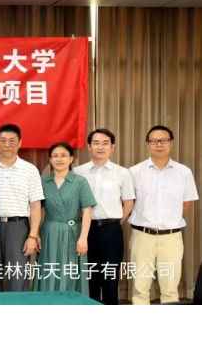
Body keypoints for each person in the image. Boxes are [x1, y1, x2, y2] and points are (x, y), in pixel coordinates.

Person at [129, 125, 198, 305]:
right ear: (147, 144)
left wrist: (170, 220)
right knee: (140, 287)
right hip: (142, 236)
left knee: (170, 288)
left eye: (164, 140)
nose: (159, 144)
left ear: (171, 143)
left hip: (171, 237)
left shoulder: (184, 172)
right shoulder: (135, 172)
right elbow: (130, 202)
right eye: (154, 141)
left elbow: (187, 202)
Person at [73, 128, 135, 305]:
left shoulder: (122, 172)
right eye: (96, 143)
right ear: (89, 146)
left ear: (112, 147)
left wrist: (116, 223)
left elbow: (128, 203)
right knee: (89, 278)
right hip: (85, 231)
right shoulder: (78, 172)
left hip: (111, 231)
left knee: (110, 278)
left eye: (105, 143)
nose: (100, 147)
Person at [0, 124, 44, 292]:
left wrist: (33, 235)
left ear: (20, 143)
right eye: (3, 140)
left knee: (18, 276)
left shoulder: (30, 170)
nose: (7, 144)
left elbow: (36, 205)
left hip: (19, 227)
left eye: (12, 141)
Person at [34, 143, 95, 294]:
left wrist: (83, 238)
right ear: (50, 159)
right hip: (49, 231)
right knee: (49, 268)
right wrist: (35, 234)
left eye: (63, 155)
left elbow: (87, 211)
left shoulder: (80, 182)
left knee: (70, 271)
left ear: (71, 159)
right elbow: (37, 209)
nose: (59, 159)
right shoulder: (43, 182)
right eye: (55, 156)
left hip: (73, 232)